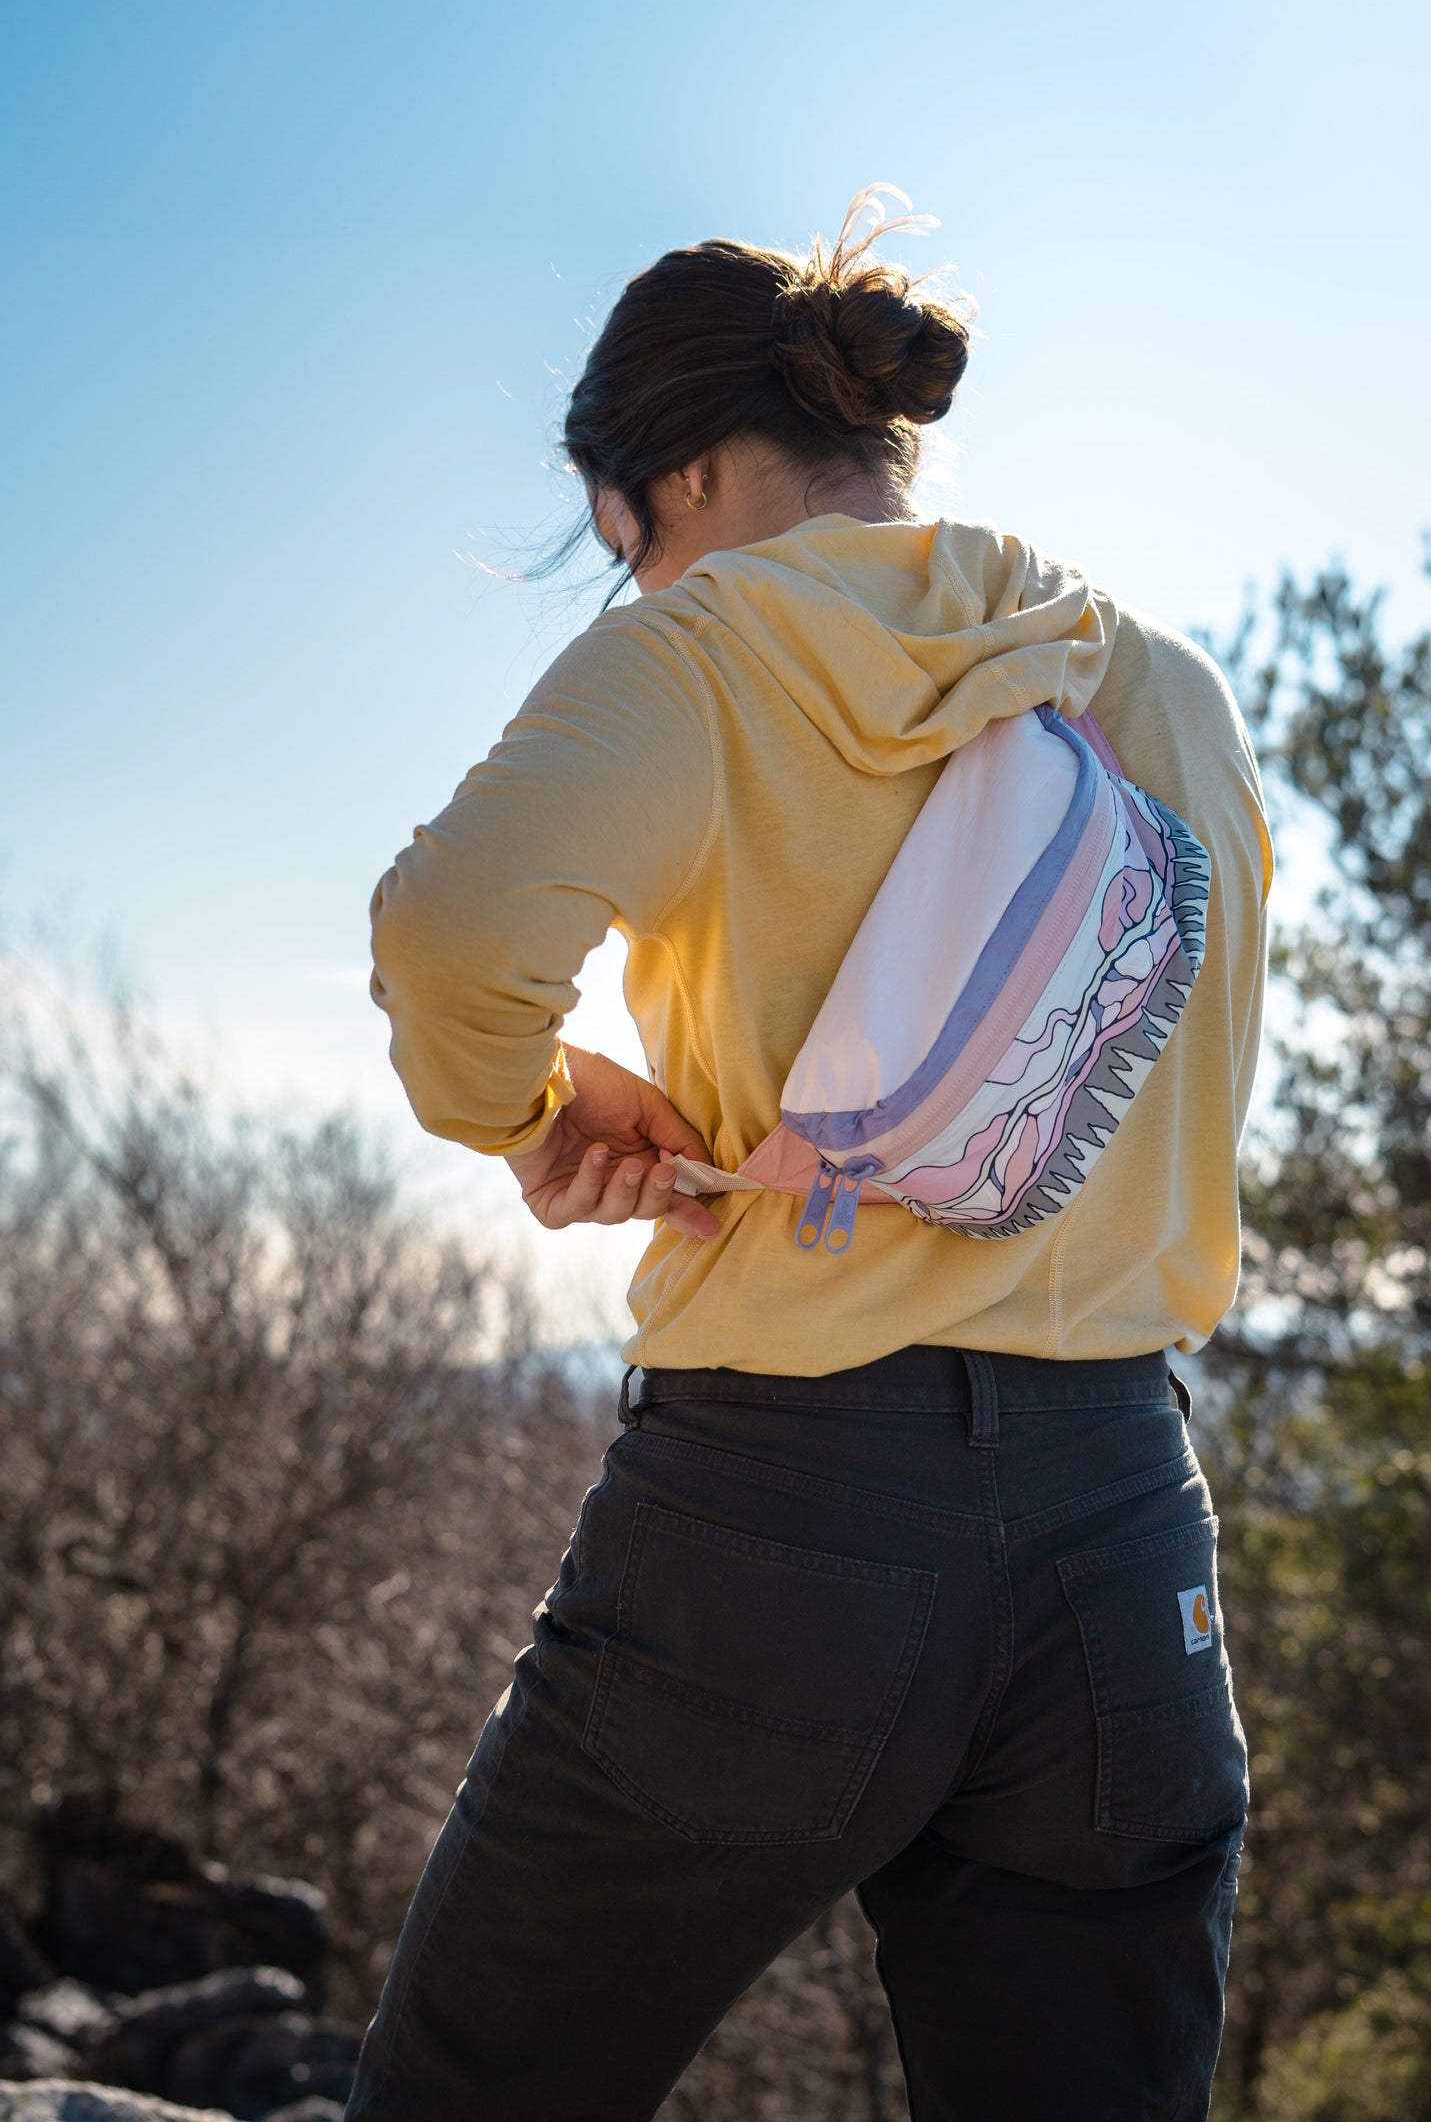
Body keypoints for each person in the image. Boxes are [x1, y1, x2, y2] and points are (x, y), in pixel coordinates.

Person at [345, 187, 1272, 2122]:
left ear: (674, 471)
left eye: (626, 544)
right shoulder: (1159, 687)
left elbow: (447, 939)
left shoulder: (701, 658)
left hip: (782, 1514)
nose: (640, 586)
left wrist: (533, 1112)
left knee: (476, 2089)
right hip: (1124, 1523)